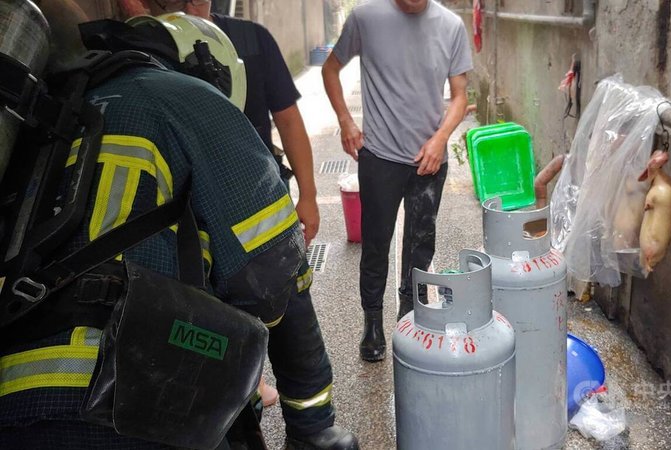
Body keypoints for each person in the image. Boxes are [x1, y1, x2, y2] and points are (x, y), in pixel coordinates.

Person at [0, 2, 357, 449]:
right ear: (216, 73)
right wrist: (314, 427)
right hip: (128, 400)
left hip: (13, 398)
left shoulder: (57, 115)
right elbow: (275, 277)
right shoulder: (192, 99)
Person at [322, 0, 472, 362]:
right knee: (375, 244)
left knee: (421, 244)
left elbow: (460, 95)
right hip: (380, 157)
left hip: (430, 158)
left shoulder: (451, 26)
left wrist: (440, 139)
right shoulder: (364, 18)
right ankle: (372, 321)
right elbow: (330, 70)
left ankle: (410, 317)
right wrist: (345, 121)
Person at [119, 0, 320, 247]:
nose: (192, 8)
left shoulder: (253, 38)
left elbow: (288, 120)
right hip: (183, 213)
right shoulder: (141, 47)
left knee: (280, 276)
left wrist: (308, 196)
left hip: (260, 197)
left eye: (198, 1)